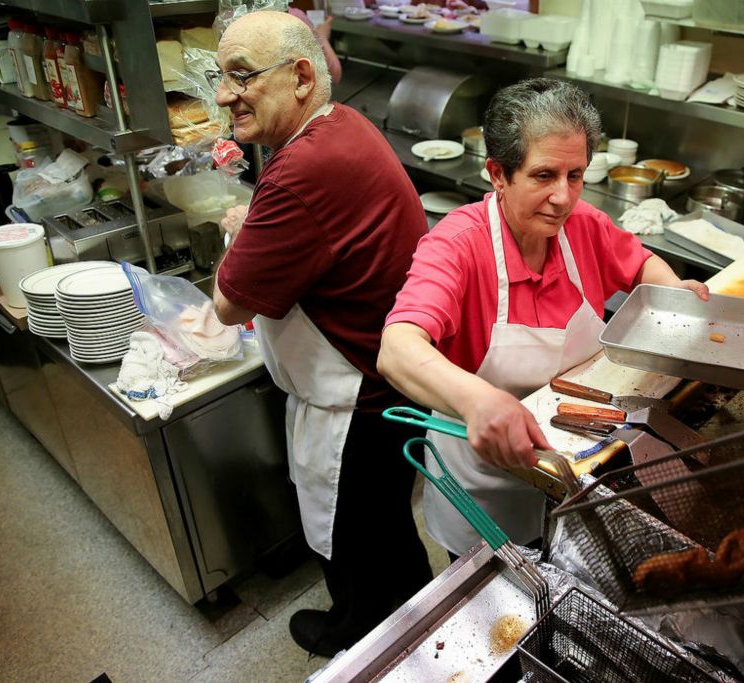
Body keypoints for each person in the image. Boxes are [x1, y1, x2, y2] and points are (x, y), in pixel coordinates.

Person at [378, 78, 709, 558]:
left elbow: (639, 262)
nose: (563, 197)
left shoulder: (583, 227)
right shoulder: (457, 245)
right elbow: (397, 347)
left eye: (575, 175)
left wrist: (672, 288)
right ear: (498, 173)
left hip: (576, 468)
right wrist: (478, 402)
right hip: (486, 490)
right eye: (543, 175)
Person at [209, 10, 432, 656]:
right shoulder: (340, 126)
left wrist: (241, 238)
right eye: (220, 77)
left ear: (302, 76)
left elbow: (228, 303)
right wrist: (257, 220)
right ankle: (415, 619)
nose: (225, 95)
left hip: (360, 396)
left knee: (357, 530)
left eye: (242, 76)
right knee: (388, 528)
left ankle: (359, 636)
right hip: (392, 375)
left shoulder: (301, 169)